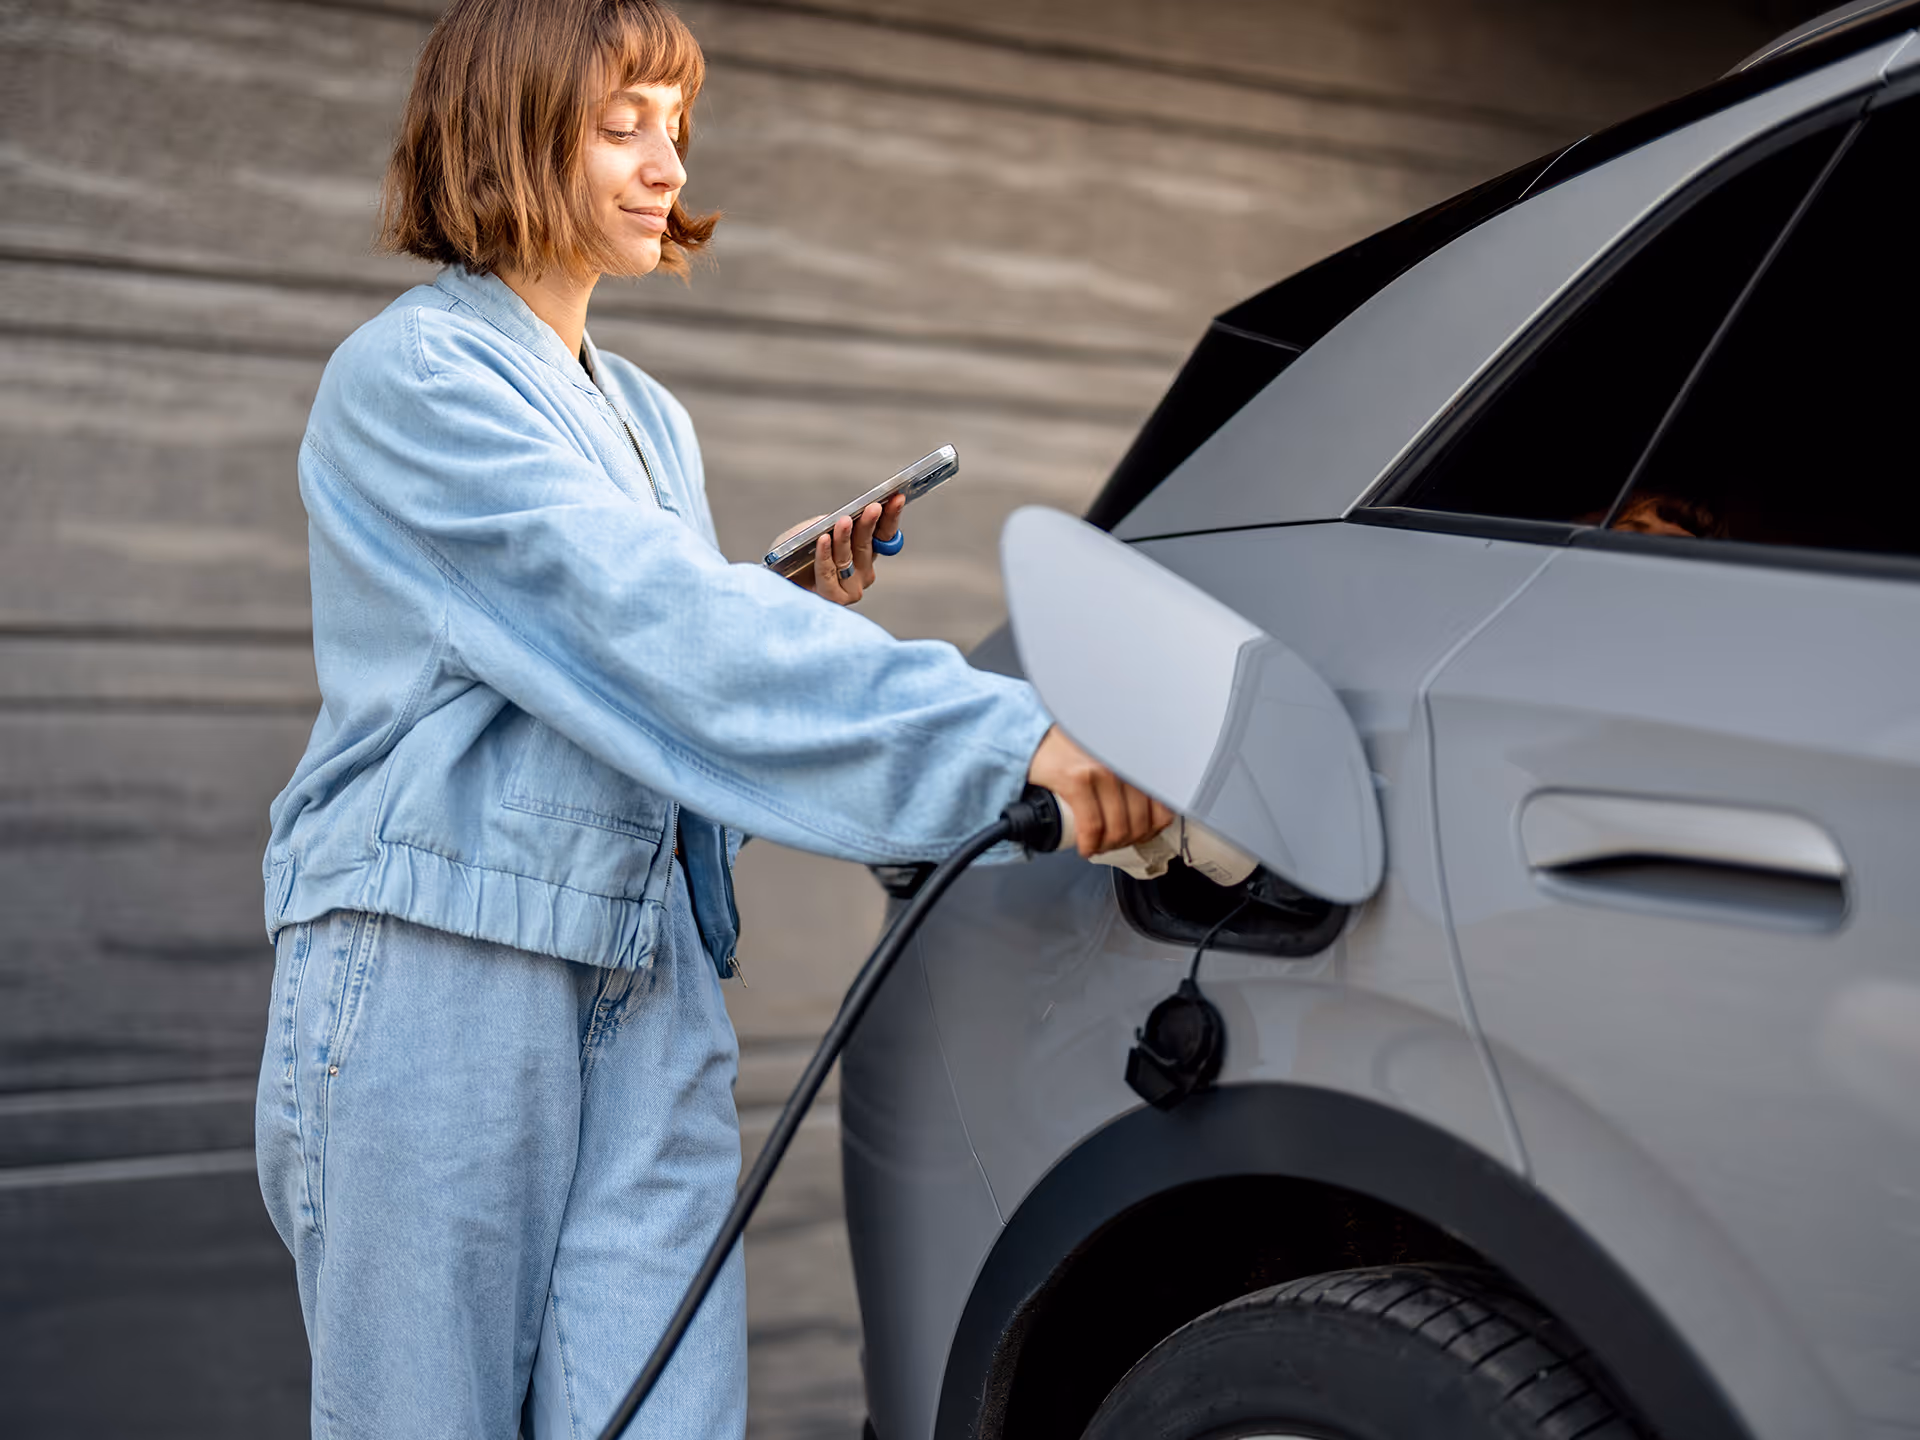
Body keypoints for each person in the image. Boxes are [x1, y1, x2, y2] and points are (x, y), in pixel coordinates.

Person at [250, 2, 1171, 1437]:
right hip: (447, 978)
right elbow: (653, 636)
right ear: (504, 133)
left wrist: (772, 591)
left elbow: (646, 646)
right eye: (622, 124)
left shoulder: (648, 417)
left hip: (650, 979)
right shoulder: (416, 380)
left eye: (675, 123)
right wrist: (1012, 743)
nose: (667, 160)